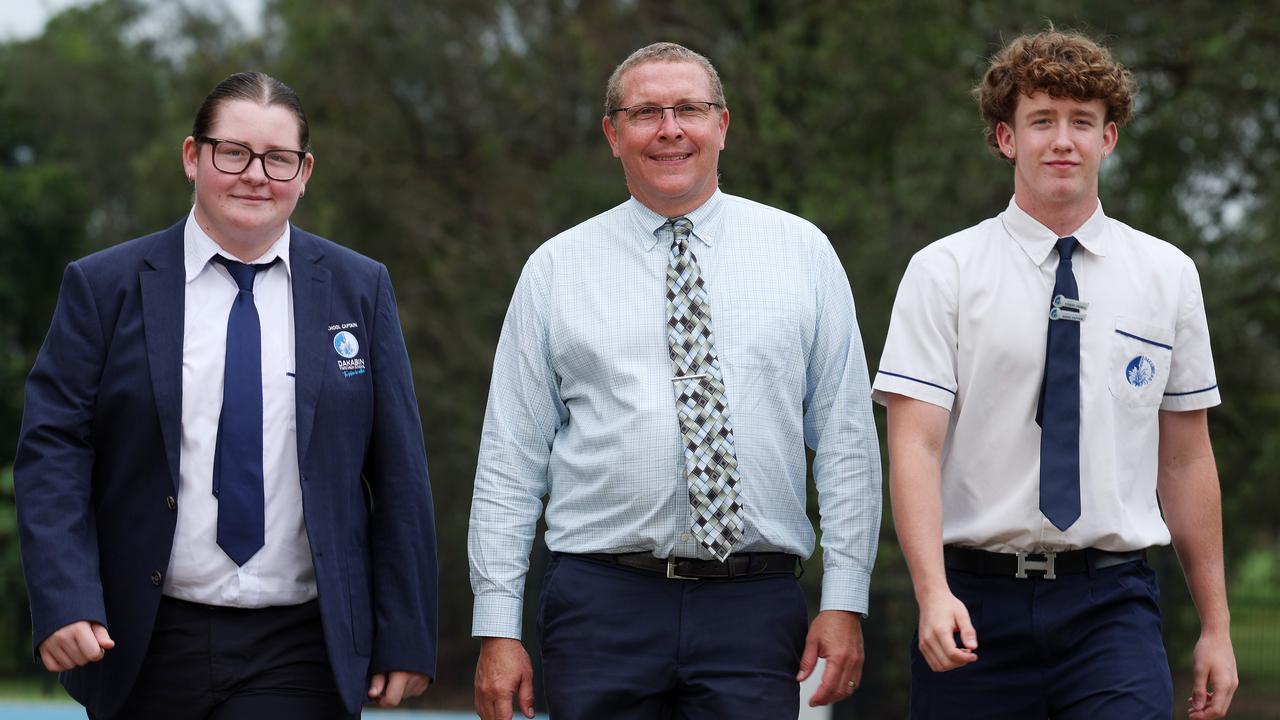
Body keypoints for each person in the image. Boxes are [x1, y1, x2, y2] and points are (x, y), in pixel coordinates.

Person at [468, 41, 882, 720]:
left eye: (688, 108)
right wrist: (497, 627)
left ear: (722, 124)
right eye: (645, 113)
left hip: (753, 606)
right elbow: (509, 459)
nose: (669, 129)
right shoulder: (555, 269)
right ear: (612, 134)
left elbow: (845, 442)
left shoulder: (802, 253)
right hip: (601, 604)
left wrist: (845, 599)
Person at [14, 71, 438, 719]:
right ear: (193, 157)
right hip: (141, 638)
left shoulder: (360, 288)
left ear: (305, 172)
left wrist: (405, 632)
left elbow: (399, 472)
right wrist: (65, 597)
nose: (255, 175)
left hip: (301, 644)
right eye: (233, 152)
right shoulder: (103, 288)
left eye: (278, 158)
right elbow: (53, 455)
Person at [873, 30, 1238, 719]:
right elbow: (914, 447)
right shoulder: (943, 272)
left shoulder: (1167, 276)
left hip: (1111, 605)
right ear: (1006, 137)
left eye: (1082, 122)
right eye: (1042, 121)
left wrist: (1217, 628)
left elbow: (1187, 461)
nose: (1062, 141)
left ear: (1111, 139)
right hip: (973, 603)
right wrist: (930, 592)